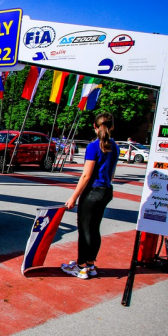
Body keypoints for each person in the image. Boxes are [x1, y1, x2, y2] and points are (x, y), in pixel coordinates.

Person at [61, 113, 119, 279]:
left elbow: (86, 175)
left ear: (94, 126)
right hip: (106, 190)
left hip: (92, 192)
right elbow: (112, 172)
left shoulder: (94, 146)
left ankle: (81, 267)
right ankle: (90, 264)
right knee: (94, 229)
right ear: (112, 127)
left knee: (85, 230)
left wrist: (73, 197)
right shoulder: (114, 146)